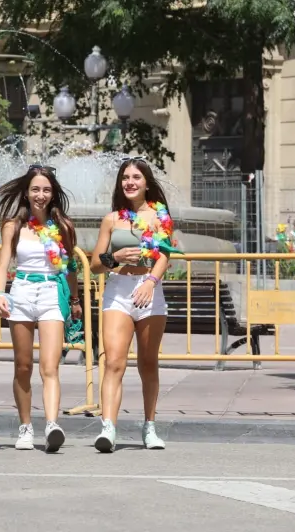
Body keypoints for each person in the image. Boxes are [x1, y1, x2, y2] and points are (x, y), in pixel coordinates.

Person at [89, 158, 177, 453]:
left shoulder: (160, 217)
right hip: (118, 291)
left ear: (146, 182)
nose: (130, 182)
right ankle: (108, 428)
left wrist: (151, 281)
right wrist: (114, 259)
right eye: (125, 177)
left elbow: (164, 254)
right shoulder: (111, 220)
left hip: (149, 289)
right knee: (113, 361)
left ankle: (149, 426)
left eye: (136, 177)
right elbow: (94, 265)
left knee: (148, 363)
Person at [0, 165, 82, 452]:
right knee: (23, 366)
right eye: (35, 189)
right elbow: (3, 264)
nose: (40, 195)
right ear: (27, 193)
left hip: (50, 294)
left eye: (46, 190)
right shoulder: (13, 225)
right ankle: (25, 427)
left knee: (50, 366)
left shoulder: (64, 226)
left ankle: (53, 424)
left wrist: (76, 300)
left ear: (53, 193)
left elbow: (71, 268)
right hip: (21, 292)